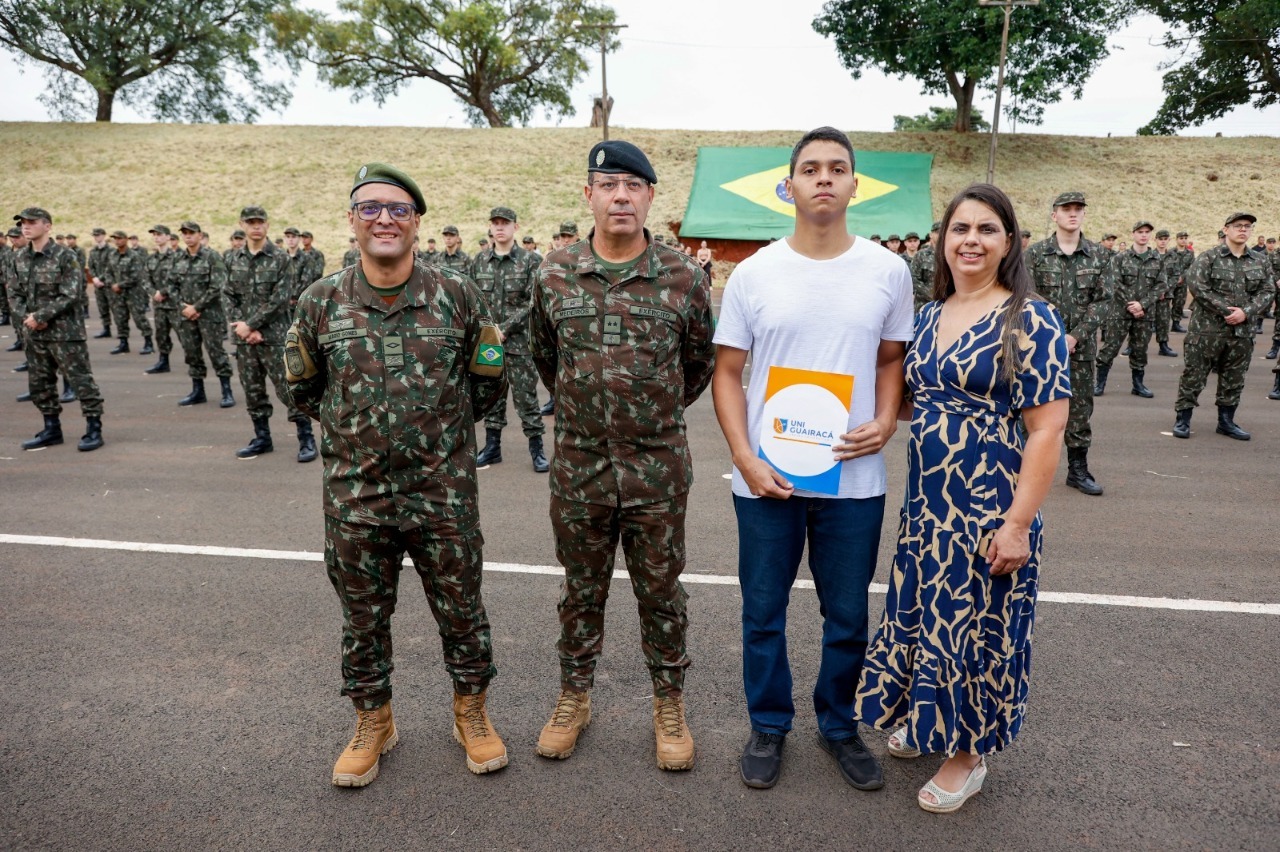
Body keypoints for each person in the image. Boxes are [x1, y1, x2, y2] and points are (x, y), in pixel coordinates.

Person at [285, 162, 509, 786]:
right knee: (363, 617)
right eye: (370, 208)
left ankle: (472, 713)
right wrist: (363, 439)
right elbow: (302, 391)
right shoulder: (320, 301)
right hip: (357, 498)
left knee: (463, 611)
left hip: (443, 495)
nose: (384, 218)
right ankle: (373, 719)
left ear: (416, 222)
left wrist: (439, 442)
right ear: (351, 219)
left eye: (397, 209)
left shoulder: (458, 295)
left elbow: (490, 383)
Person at [855, 183, 1070, 814]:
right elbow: (909, 397)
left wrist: (1018, 524)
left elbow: (1047, 428)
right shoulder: (927, 316)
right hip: (928, 503)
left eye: (986, 230)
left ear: (1009, 244)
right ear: (942, 241)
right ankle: (929, 720)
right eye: (959, 229)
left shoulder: (1030, 318)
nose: (970, 241)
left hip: (989, 504)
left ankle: (967, 755)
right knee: (927, 617)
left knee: (978, 629)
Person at [711, 126, 911, 792]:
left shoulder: (888, 271)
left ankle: (839, 725)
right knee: (762, 612)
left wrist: (885, 421)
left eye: (838, 168)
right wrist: (744, 456)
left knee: (847, 614)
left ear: (855, 184)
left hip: (852, 481)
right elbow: (728, 373)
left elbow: (890, 360)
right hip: (766, 479)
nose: (824, 178)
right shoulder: (756, 272)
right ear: (788, 185)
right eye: (810, 168)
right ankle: (768, 725)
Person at [530, 140, 715, 772]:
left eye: (633, 186)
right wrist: (592, 411)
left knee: (661, 592)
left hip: (656, 469)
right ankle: (574, 698)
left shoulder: (682, 277)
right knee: (580, 589)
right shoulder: (553, 274)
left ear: (649, 198)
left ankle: (669, 704)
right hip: (580, 466)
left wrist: (645, 416)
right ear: (589, 194)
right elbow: (546, 360)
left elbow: (697, 365)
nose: (620, 196)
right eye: (608, 185)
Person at [1026, 191, 1113, 496]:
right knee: (1031, 405)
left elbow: (1103, 301)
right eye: (1066, 209)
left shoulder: (1100, 255)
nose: (1073, 214)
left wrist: (1074, 336)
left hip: (1080, 347)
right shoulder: (1035, 255)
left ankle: (1077, 469)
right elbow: (1026, 298)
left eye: (1078, 209)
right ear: (1054, 216)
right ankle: (1022, 468)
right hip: (1038, 349)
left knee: (1079, 410)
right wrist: (1051, 337)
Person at [12, 207, 107, 452]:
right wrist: (29, 319)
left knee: (81, 381)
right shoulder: (20, 257)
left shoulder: (65, 256)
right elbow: (14, 294)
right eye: (23, 222)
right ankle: (52, 429)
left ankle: (93, 429)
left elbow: (72, 294)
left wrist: (41, 316)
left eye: (32, 222)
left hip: (65, 333)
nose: (26, 226)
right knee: (40, 384)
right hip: (35, 332)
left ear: (47, 226)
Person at [224, 205, 314, 462]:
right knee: (252, 390)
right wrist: (242, 327)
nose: (255, 226)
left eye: (259, 222)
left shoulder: (281, 259)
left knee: (289, 389)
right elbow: (227, 294)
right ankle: (262, 438)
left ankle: (306, 438)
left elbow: (280, 298)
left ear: (267, 224)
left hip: (273, 337)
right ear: (242, 224)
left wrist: (251, 325)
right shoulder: (232, 259)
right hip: (245, 339)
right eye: (250, 222)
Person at [1172, 212, 1273, 440]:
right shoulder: (1209, 257)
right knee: (1194, 375)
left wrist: (1245, 313)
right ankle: (1183, 419)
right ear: (1226, 229)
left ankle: (1226, 421)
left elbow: (1268, 291)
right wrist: (1228, 311)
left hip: (1241, 332)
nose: (1243, 230)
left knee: (1234, 378)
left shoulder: (1260, 260)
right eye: (1238, 225)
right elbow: (1198, 287)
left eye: (1248, 226)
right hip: (1207, 331)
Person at [470, 206, 548, 472]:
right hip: (489, 343)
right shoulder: (479, 262)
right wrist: (489, 330)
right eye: (495, 223)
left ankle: (536, 449)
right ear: (490, 228)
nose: (500, 227)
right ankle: (492, 448)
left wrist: (504, 328)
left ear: (516, 226)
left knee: (526, 396)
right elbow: (473, 301)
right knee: (492, 394)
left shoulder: (530, 261)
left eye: (505, 223)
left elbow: (533, 302)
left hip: (518, 344)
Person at [169, 222, 235, 408]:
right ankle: (198, 391)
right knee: (192, 353)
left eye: (191, 233)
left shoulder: (212, 257)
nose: (188, 236)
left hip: (209, 315)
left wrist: (196, 307)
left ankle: (226, 391)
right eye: (185, 234)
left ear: (199, 235)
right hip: (186, 316)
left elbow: (217, 285)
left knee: (216, 352)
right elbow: (171, 286)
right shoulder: (178, 258)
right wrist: (184, 307)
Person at [1095, 222, 1163, 398]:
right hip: (1120, 313)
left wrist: (1143, 304)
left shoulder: (1157, 260)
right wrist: (1131, 305)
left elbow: (1161, 285)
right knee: (1110, 348)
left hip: (1144, 313)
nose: (1144, 235)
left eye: (1147, 232)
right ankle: (1099, 383)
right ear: (1133, 234)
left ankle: (1138, 385)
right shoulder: (1120, 258)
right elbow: (1115, 283)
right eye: (1140, 232)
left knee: (1140, 350)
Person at [106, 229, 154, 355]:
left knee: (139, 318)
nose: (117, 241)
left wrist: (119, 285)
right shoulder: (112, 255)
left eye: (119, 238)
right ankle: (123, 343)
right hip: (118, 294)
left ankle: (148, 342)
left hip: (133, 293)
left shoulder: (134, 255)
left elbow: (136, 276)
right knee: (120, 318)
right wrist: (112, 284)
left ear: (126, 239)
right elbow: (108, 272)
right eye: (115, 239)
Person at [144, 225, 176, 372]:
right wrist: (153, 293)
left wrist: (163, 292)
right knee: (161, 335)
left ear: (168, 237)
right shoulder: (151, 259)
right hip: (159, 304)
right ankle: (163, 361)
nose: (157, 237)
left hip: (175, 304)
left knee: (187, 337)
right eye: (155, 235)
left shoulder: (177, 257)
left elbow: (178, 279)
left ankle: (195, 363)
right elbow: (145, 279)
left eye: (160, 234)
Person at [1151, 230, 1179, 357]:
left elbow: (1175, 275)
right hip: (1149, 296)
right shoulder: (1149, 255)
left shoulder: (1173, 257)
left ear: (1169, 240)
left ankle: (1163, 346)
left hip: (1165, 296)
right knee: (1140, 322)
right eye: (1160, 239)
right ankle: (1132, 346)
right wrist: (1155, 292)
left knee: (1163, 322)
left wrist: (1164, 290)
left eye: (1165, 239)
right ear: (1155, 240)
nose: (1162, 241)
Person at [909, 222, 941, 314]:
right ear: (931, 235)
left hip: (947, 305)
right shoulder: (921, 255)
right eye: (937, 232)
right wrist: (931, 295)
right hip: (924, 306)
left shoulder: (950, 255)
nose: (941, 234)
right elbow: (913, 279)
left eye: (943, 231)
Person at [1170, 231, 1195, 333]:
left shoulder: (1190, 253)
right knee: (1163, 303)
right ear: (1176, 239)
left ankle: (1176, 323)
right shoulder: (1170, 252)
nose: (1184, 240)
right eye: (1181, 238)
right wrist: (1175, 277)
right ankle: (1156, 324)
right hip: (1170, 282)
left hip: (1182, 283)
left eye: (1185, 238)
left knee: (1179, 303)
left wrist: (1183, 276)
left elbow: (1191, 267)